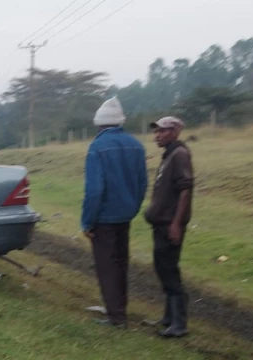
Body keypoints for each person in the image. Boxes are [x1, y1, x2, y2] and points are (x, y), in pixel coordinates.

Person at [81, 96, 148, 328]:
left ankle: (116, 316)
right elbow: (142, 184)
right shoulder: (136, 145)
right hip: (125, 215)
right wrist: (133, 207)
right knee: (121, 263)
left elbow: (95, 190)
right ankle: (120, 309)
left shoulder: (97, 148)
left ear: (100, 124)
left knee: (107, 267)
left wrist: (88, 221)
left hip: (104, 218)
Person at [144, 116, 194, 338]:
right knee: (162, 267)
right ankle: (168, 318)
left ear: (175, 131)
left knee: (169, 270)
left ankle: (179, 324)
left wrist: (176, 223)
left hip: (169, 225)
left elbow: (185, 189)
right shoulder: (169, 154)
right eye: (156, 132)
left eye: (162, 131)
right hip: (160, 223)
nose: (158, 135)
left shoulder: (180, 155)